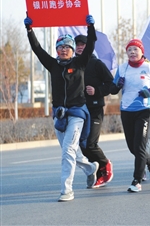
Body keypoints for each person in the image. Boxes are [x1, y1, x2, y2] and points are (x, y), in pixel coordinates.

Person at [25, 14, 99, 202]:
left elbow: (90, 45)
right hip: (59, 115)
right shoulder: (53, 65)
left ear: (73, 50)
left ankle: (67, 190)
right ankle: (91, 168)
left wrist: (90, 27)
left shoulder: (80, 63)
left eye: (67, 46)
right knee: (70, 151)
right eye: (60, 47)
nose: (64, 49)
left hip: (77, 113)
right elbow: (37, 49)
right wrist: (30, 30)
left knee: (68, 151)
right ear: (57, 50)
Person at [110, 39, 150, 192]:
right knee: (132, 147)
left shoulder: (148, 68)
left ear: (142, 52)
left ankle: (137, 180)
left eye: (136, 49)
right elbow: (112, 89)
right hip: (127, 110)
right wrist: (117, 85)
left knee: (140, 146)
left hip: (144, 110)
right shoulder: (122, 68)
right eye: (130, 50)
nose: (132, 52)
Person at [74, 35, 114, 188]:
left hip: (95, 108)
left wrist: (97, 90)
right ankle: (98, 174)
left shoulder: (96, 63)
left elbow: (110, 83)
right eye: (77, 45)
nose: (79, 47)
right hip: (78, 109)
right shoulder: (73, 64)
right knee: (83, 145)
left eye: (82, 44)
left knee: (91, 143)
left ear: (88, 47)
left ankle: (105, 164)